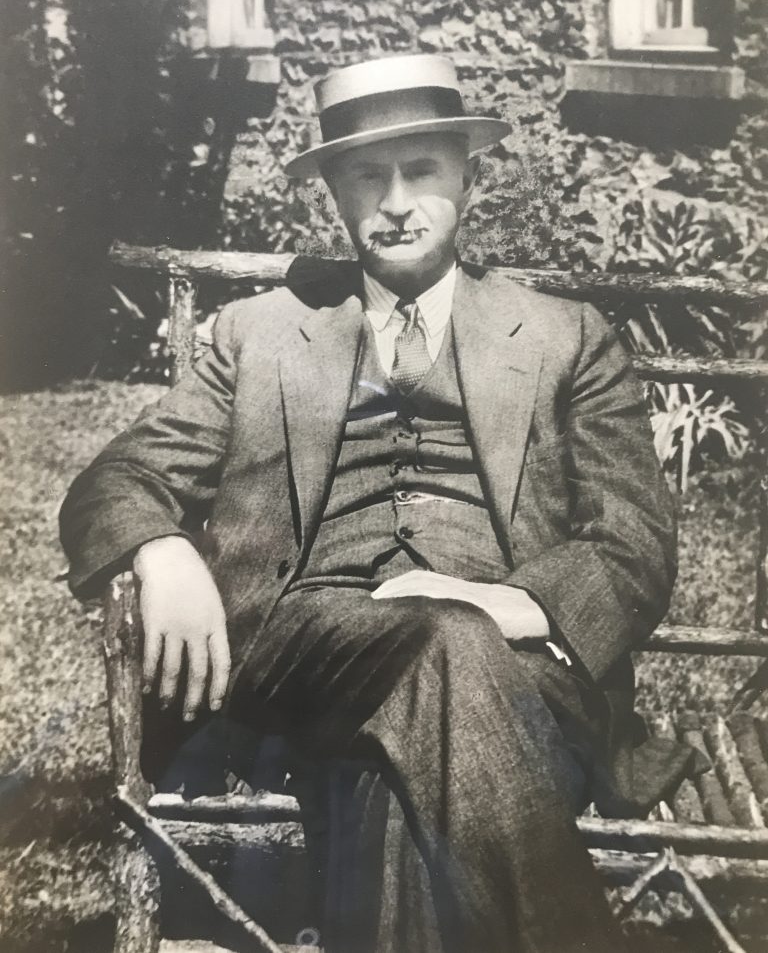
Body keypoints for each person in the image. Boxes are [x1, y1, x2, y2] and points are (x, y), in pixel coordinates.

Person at [61, 55, 692, 953]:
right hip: (302, 658)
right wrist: (161, 548)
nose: (396, 200)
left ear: (468, 178)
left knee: (399, 771)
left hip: (516, 670)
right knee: (439, 645)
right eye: (367, 174)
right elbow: (111, 483)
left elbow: (635, 542)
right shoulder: (258, 335)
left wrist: (503, 602)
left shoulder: (566, 338)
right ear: (332, 190)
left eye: (422, 169)